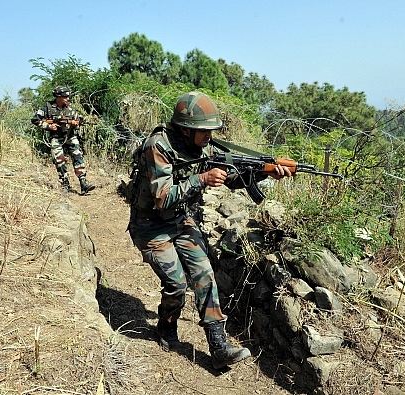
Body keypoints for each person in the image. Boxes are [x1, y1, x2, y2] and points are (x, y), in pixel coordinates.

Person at [127, 91, 292, 369]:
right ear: (184, 128)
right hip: (151, 226)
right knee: (177, 285)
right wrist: (202, 178)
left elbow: (233, 178)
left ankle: (218, 346)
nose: (209, 136)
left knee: (204, 274)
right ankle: (166, 326)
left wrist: (266, 172)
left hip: (182, 220)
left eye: (211, 131)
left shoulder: (206, 147)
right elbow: (162, 197)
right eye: (203, 131)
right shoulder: (158, 146)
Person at [31, 86, 95, 194]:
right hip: (56, 137)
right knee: (59, 160)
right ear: (58, 97)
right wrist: (48, 126)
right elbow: (35, 120)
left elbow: (79, 120)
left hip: (70, 136)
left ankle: (83, 183)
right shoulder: (47, 107)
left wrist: (76, 124)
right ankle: (65, 183)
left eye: (68, 96)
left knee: (78, 156)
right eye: (65, 97)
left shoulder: (71, 108)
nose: (67, 99)